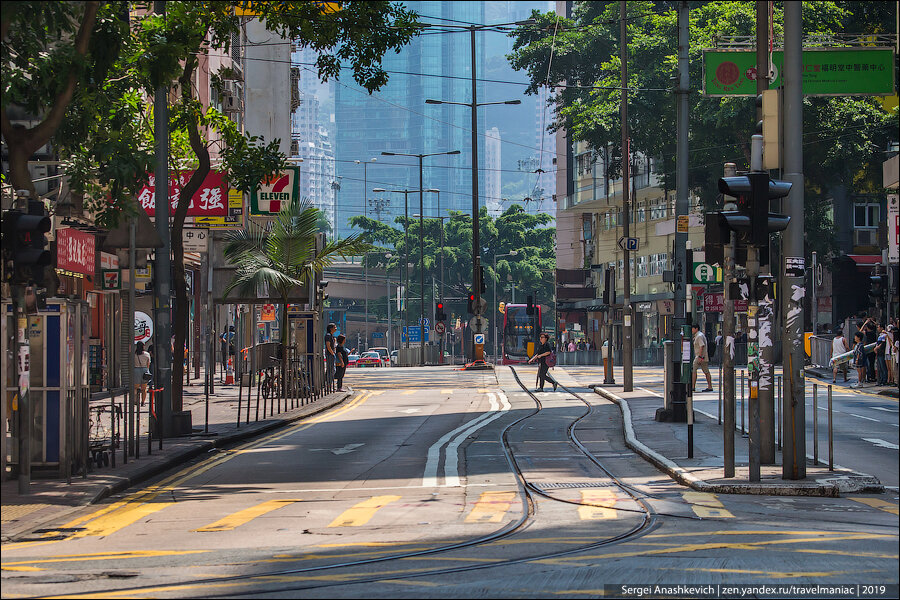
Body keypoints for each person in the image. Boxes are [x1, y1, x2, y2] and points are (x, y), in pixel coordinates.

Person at [691, 323, 713, 393]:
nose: (691, 330)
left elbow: (702, 346)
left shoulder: (699, 336)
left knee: (694, 370)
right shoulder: (699, 335)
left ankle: (693, 386)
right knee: (706, 371)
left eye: (692, 328)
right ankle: (710, 386)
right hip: (703, 356)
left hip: (700, 356)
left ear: (696, 328)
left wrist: (700, 357)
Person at [134, 341, 151, 406]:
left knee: (135, 387)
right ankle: (143, 402)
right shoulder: (147, 354)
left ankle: (135, 401)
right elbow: (148, 364)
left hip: (136, 370)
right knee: (144, 388)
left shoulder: (134, 354)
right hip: (145, 370)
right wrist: (147, 370)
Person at [325, 323, 336, 389]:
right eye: (335, 327)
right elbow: (328, 346)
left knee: (332, 370)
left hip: (331, 355)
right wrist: (332, 353)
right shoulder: (328, 336)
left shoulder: (331, 336)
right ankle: (329, 385)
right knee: (330, 370)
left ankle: (330, 384)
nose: (336, 328)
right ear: (331, 328)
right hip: (330, 355)